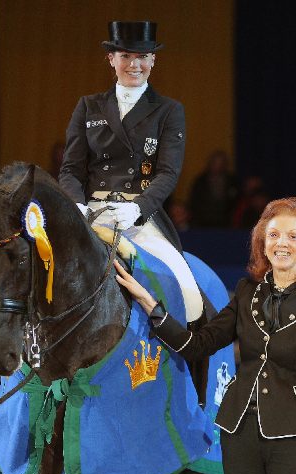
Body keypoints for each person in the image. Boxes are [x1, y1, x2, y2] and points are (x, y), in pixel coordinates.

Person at [115, 197, 296, 474]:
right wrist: (151, 305)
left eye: (293, 237)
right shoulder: (247, 292)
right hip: (240, 434)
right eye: (274, 234)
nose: (282, 243)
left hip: (295, 437)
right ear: (263, 243)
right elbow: (198, 345)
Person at [58, 20, 202, 322]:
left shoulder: (168, 110)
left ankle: (194, 358)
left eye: (142, 57)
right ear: (111, 60)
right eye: (125, 56)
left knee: (188, 291)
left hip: (139, 217)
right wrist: (76, 206)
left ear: (153, 60)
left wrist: (137, 208)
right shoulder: (88, 106)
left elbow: (168, 173)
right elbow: (70, 169)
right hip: (91, 212)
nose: (134, 64)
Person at [187, 149, 239, 227]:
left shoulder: (232, 181)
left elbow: (236, 202)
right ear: (210, 163)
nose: (218, 166)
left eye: (221, 163)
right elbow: (194, 202)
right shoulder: (200, 181)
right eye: (216, 163)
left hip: (226, 224)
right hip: (203, 224)